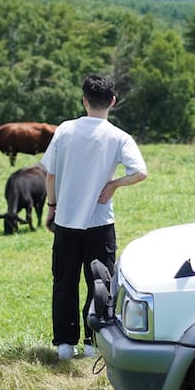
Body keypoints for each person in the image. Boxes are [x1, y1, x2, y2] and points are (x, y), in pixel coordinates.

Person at [42, 73, 147, 361]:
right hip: (100, 223)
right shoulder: (118, 136)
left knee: (64, 282)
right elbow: (140, 172)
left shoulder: (65, 130)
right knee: (99, 281)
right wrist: (114, 185)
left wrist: (52, 205)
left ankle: (64, 345)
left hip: (66, 220)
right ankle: (92, 343)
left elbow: (50, 173)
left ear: (84, 100)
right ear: (113, 101)